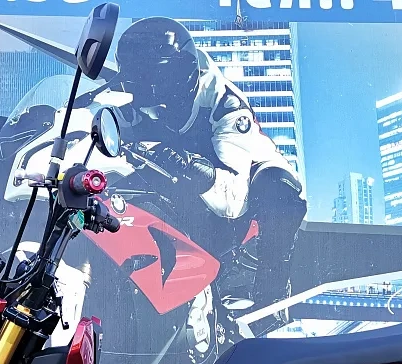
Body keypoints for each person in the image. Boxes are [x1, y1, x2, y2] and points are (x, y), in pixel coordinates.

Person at [113, 17, 307, 331]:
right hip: (176, 195)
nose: (147, 92)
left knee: (280, 188)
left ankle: (270, 297)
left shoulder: (226, 106)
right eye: (138, 81)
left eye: (154, 80)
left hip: (237, 201)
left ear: (180, 76)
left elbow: (234, 202)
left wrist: (191, 167)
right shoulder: (134, 99)